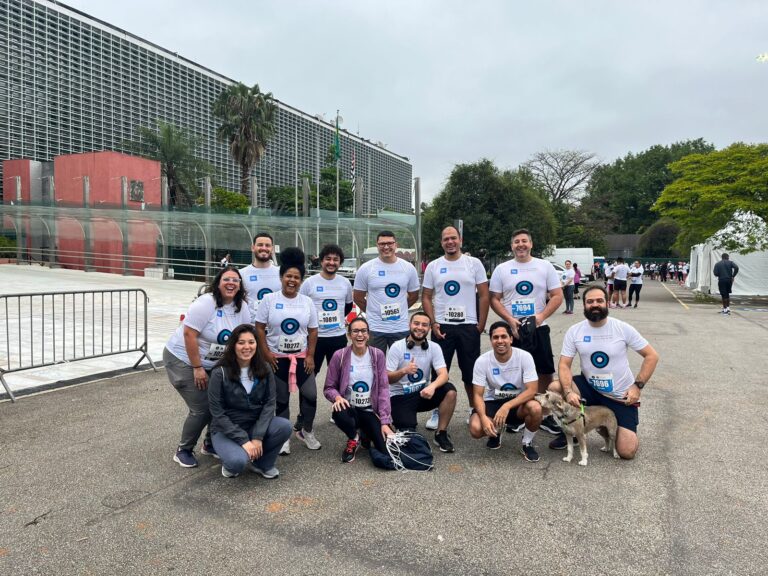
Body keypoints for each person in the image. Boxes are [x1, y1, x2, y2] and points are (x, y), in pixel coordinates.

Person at [548, 286, 659, 457]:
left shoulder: (622, 328)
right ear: (584, 305)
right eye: (590, 301)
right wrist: (569, 391)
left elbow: (651, 356)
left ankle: (611, 427)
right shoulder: (575, 331)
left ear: (607, 303)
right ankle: (573, 431)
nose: (595, 305)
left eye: (599, 300)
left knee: (626, 451)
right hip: (590, 388)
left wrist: (637, 386)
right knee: (556, 388)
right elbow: (564, 364)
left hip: (618, 395)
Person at [163, 266, 251, 468]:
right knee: (202, 408)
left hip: (214, 362)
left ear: (240, 285)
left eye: (236, 280)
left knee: (221, 401)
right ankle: (183, 449)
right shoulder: (206, 303)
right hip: (183, 360)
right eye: (226, 279)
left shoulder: (241, 307)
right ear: (218, 282)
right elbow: (189, 334)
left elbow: (245, 336)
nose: (231, 283)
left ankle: (210, 444)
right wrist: (197, 367)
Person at [488, 228, 563, 436]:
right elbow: (494, 298)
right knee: (514, 371)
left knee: (545, 371)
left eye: (524, 241)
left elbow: (557, 296)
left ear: (531, 244)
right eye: (516, 242)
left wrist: (540, 317)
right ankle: (519, 414)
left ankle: (545, 415)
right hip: (514, 330)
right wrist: (510, 320)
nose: (520, 245)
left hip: (538, 328)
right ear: (511, 246)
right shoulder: (502, 269)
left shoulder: (544, 266)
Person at [421, 225, 489, 429]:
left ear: (460, 240)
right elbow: (426, 296)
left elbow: (484, 294)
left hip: (469, 326)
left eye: (453, 238)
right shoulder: (434, 265)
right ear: (441, 242)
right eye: (445, 239)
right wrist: (433, 322)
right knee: (439, 372)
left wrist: (481, 323)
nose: (450, 242)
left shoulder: (473, 263)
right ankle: (436, 409)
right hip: (442, 327)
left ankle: (474, 409)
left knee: (471, 372)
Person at [254, 247, 320, 454]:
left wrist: (310, 355)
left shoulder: (307, 301)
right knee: (281, 399)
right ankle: (283, 438)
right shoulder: (269, 300)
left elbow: (313, 330)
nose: (292, 280)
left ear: (301, 280)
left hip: (301, 357)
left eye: (296, 277)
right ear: (281, 277)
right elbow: (259, 327)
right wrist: (265, 353)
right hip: (276, 358)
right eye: (288, 276)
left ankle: (306, 431)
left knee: (310, 395)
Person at [208, 324, 293, 479]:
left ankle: (262, 464)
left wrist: (257, 437)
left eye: (251, 342)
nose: (247, 347)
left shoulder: (265, 368)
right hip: (225, 429)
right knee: (237, 462)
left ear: (257, 344)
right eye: (241, 342)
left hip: (254, 424)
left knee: (284, 426)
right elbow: (217, 413)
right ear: (233, 345)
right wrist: (243, 440)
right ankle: (230, 463)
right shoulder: (219, 372)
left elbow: (269, 404)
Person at [469, 321, 543, 462]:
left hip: (518, 403)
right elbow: (477, 395)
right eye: (495, 337)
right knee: (476, 428)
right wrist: (484, 418)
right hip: (494, 402)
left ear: (511, 339)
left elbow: (532, 390)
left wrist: (507, 406)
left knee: (536, 408)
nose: (500, 341)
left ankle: (527, 442)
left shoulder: (524, 356)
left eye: (504, 336)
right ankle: (495, 432)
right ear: (491, 340)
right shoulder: (482, 361)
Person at [323, 317, 394, 463]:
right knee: (339, 410)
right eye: (355, 331)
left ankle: (366, 434)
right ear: (349, 335)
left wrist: (385, 421)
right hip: (350, 409)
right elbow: (329, 387)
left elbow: (383, 389)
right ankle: (353, 438)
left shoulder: (377, 355)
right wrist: (337, 397)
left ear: (368, 335)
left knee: (385, 450)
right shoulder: (339, 356)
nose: (359, 335)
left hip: (369, 410)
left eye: (363, 331)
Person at [386, 311, 457, 453]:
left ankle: (441, 433)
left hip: (422, 394)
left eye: (424, 325)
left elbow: (444, 374)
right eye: (416, 323)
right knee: (408, 432)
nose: (420, 327)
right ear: (410, 325)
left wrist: (432, 386)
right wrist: (403, 371)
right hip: (399, 396)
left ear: (430, 328)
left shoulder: (434, 347)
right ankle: (403, 423)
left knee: (450, 391)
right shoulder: (397, 347)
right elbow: (387, 377)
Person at [353, 230, 420, 352]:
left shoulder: (408, 268)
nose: (386, 247)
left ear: (396, 245)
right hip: (375, 329)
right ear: (377, 245)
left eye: (390, 243)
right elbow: (357, 297)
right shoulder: (366, 268)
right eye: (382, 244)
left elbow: (414, 295)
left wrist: (401, 308)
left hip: (400, 327)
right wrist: (373, 311)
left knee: (402, 366)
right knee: (374, 367)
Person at [300, 243, 354, 374]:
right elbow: (301, 308)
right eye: (328, 259)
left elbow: (347, 307)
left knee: (339, 376)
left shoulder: (345, 283)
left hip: (337, 337)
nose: (331, 262)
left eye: (336, 260)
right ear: (321, 261)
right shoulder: (309, 283)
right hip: (314, 338)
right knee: (309, 375)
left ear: (340, 262)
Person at [240, 232, 281, 322]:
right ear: (253, 248)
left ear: (272, 249)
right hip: (251, 327)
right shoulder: (242, 274)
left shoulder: (281, 273)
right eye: (260, 245)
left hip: (275, 328)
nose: (264, 248)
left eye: (267, 245)